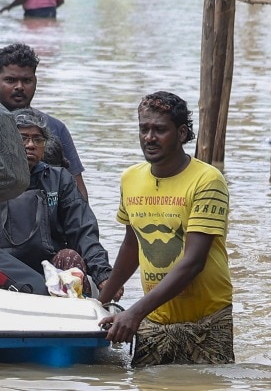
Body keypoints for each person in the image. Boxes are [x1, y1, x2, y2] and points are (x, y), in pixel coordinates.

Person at [99, 92, 233, 366]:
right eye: (144, 129)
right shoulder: (130, 178)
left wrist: (134, 313)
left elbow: (194, 261)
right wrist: (98, 302)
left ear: (181, 133)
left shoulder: (207, 180)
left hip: (206, 322)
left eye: (159, 130)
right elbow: (132, 245)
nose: (149, 137)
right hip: (154, 319)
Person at [0, 109, 115, 297]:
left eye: (38, 140)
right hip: (1, 263)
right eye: (23, 138)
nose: (30, 145)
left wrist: (104, 275)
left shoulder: (59, 179)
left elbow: (83, 231)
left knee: (69, 257)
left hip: (48, 265)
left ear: (44, 146)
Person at [0, 43, 88, 199]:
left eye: (26, 80)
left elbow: (79, 193)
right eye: (10, 80)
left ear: (35, 81)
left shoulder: (54, 128)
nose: (19, 87)